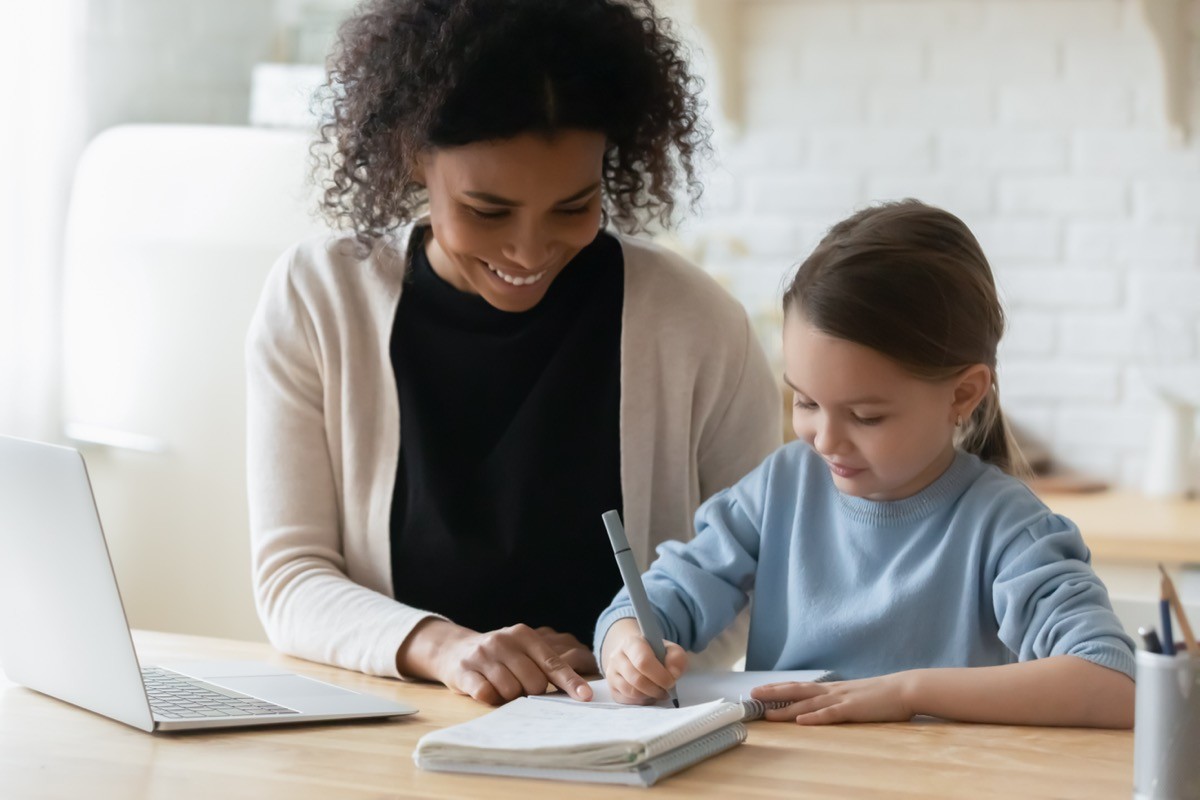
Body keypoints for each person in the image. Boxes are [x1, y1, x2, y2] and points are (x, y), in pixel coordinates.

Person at [245, 0, 781, 706]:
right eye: (487, 211)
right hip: (392, 733)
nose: (529, 252)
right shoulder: (318, 298)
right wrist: (447, 650)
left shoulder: (696, 326)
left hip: (617, 731)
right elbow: (291, 577)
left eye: (573, 206)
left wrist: (622, 661)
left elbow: (751, 577)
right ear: (413, 157)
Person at [595, 199, 1137, 728]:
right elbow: (663, 597)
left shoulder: (1007, 527)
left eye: (865, 416)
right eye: (806, 402)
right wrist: (626, 642)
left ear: (962, 394)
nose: (826, 440)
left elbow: (1112, 681)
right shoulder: (780, 487)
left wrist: (905, 693)